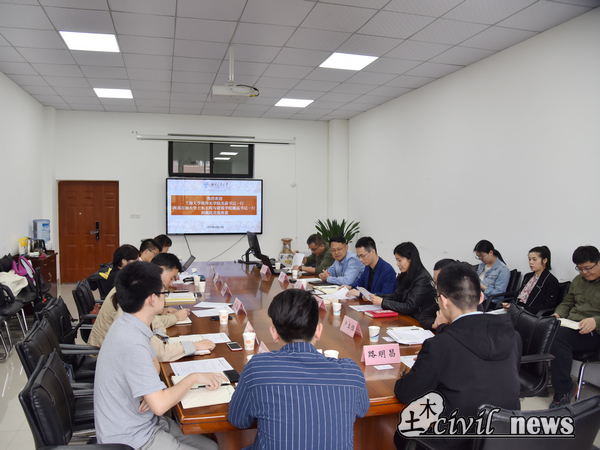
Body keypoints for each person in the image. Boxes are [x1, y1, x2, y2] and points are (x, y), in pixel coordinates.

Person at [94, 261, 226, 449]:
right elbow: (160, 406)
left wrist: (150, 392)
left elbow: (154, 361)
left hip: (145, 422)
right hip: (132, 438)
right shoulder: (133, 342)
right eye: (163, 293)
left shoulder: (128, 323)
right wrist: (194, 377)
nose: (166, 296)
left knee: (212, 447)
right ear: (152, 299)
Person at [394, 262, 521, 449]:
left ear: (444, 301)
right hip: (503, 436)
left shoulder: (440, 345)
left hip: (455, 440)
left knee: (401, 432)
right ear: (481, 297)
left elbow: (405, 393)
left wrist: (413, 368)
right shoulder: (513, 336)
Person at [228, 289, 369, 449]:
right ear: (318, 331)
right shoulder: (351, 373)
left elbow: (238, 419)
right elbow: (362, 409)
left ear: (274, 333)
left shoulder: (258, 369)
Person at [88, 253, 214, 362]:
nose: (171, 283)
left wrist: (160, 331)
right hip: (104, 357)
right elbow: (161, 353)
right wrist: (194, 345)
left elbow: (153, 323)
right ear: (161, 270)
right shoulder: (134, 291)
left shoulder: (139, 284)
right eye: (172, 278)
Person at [549, 245, 600, 409]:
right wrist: (557, 314)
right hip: (573, 326)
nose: (584, 272)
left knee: (558, 338)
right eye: (580, 269)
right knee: (542, 329)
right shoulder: (578, 280)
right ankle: (537, 380)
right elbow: (567, 302)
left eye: (588, 268)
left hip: (594, 332)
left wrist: (596, 321)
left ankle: (564, 391)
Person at [370, 242, 435, 319]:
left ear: (410, 259)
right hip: (407, 317)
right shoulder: (405, 275)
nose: (397, 264)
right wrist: (376, 296)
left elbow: (409, 306)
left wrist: (382, 302)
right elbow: (396, 296)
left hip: (419, 320)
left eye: (399, 260)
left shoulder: (423, 278)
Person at [502, 246, 560, 315]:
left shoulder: (551, 280)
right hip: (516, 311)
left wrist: (524, 309)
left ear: (545, 260)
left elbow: (547, 305)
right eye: (529, 259)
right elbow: (518, 296)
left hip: (530, 314)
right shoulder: (528, 276)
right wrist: (510, 305)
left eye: (534, 259)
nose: (531, 262)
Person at [418, 258, 457, 331]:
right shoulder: (442, 297)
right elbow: (424, 316)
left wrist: (443, 325)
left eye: (439, 282)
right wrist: (435, 324)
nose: (436, 287)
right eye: (435, 282)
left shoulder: (462, 301)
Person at [474, 239, 510, 305]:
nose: (480, 259)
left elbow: (499, 293)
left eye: (482, 256)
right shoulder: (481, 265)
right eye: (478, 256)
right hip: (476, 296)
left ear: (491, 252)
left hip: (488, 301)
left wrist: (481, 286)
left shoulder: (503, 269)